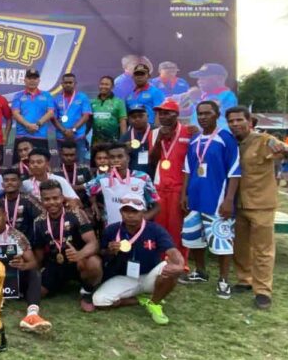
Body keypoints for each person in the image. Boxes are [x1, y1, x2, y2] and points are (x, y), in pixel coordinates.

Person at [227, 106, 288, 309]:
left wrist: (283, 149)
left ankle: (263, 290)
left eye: (239, 120)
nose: (235, 124)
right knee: (240, 247)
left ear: (249, 121)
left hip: (261, 204)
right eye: (231, 121)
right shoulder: (231, 143)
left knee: (263, 249)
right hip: (238, 204)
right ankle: (244, 280)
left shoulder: (264, 140)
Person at [180, 101, 241, 299]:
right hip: (195, 198)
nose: (203, 117)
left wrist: (229, 199)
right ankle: (200, 272)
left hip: (217, 200)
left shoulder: (226, 138)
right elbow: (187, 169)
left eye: (207, 113)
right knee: (194, 238)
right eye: (200, 114)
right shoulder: (195, 139)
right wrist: (184, 194)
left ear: (217, 115)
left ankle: (223, 280)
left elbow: (235, 171)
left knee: (222, 241)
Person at [93, 194, 184, 325]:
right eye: (126, 211)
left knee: (170, 268)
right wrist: (109, 250)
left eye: (135, 211)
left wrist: (180, 265)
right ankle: (141, 300)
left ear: (143, 212)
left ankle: (154, 304)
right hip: (124, 277)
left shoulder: (155, 229)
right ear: (120, 212)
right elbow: (101, 253)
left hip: (150, 275)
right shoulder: (112, 230)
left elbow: (172, 251)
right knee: (99, 301)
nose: (130, 215)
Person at [0, 199, 52, 333]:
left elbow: (33, 263)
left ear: (5, 215)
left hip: (11, 278)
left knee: (34, 273)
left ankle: (32, 313)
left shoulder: (17, 236)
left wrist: (24, 265)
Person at [34, 180, 102, 312]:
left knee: (94, 263)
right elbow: (39, 254)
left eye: (55, 198)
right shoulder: (38, 222)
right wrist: (35, 275)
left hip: (78, 262)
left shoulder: (77, 214)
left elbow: (93, 243)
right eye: (47, 199)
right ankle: (59, 284)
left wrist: (79, 254)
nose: (52, 202)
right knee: (38, 292)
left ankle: (87, 292)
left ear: (62, 198)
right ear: (41, 200)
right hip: (55, 263)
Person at [149, 100, 193, 265]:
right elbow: (153, 160)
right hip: (160, 186)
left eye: (167, 113)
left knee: (177, 227)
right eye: (160, 113)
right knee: (160, 227)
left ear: (176, 114)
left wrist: (187, 192)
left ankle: (180, 264)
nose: (163, 116)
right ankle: (161, 262)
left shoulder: (188, 132)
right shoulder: (154, 133)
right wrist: (159, 140)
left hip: (179, 186)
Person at [84, 142, 160, 226]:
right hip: (112, 227)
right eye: (112, 157)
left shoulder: (142, 177)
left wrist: (145, 217)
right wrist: (94, 203)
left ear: (128, 158)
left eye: (120, 156)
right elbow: (88, 189)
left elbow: (157, 205)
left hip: (137, 227)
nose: (116, 160)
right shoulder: (102, 179)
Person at [178, 63, 238, 129]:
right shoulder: (205, 95)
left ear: (219, 79)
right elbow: (188, 111)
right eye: (199, 78)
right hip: (199, 134)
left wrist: (197, 99)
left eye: (204, 77)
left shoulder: (227, 96)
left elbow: (219, 121)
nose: (199, 81)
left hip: (215, 134)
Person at [0, 168, 44, 242]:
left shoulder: (29, 200)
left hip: (27, 243)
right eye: (6, 180)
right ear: (2, 185)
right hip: (3, 243)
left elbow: (42, 218)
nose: (9, 183)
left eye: (13, 180)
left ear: (20, 183)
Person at [11, 68, 54, 157]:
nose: (32, 81)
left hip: (40, 136)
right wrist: (28, 125)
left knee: (41, 162)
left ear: (39, 80)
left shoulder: (47, 95)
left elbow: (50, 112)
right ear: (25, 80)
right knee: (20, 164)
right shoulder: (18, 96)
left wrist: (37, 125)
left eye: (35, 78)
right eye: (29, 78)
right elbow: (15, 113)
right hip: (22, 136)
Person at [52, 73, 92, 164]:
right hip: (61, 136)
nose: (68, 85)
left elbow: (86, 116)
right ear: (62, 84)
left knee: (80, 163)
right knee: (63, 163)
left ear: (75, 83)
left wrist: (73, 130)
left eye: (70, 82)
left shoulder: (82, 97)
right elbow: (53, 118)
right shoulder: (56, 99)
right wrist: (64, 131)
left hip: (78, 136)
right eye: (66, 83)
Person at [91, 76, 127, 146]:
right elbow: (89, 123)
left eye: (107, 84)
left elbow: (123, 123)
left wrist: (123, 141)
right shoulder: (92, 102)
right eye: (102, 84)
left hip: (113, 142)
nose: (103, 86)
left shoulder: (119, 102)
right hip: (96, 143)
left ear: (112, 87)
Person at [119, 105, 153, 175]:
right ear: (129, 120)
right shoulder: (125, 137)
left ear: (147, 116)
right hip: (133, 176)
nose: (137, 119)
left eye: (140, 116)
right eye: (133, 117)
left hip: (154, 173)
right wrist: (125, 150)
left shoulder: (156, 132)